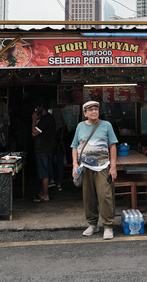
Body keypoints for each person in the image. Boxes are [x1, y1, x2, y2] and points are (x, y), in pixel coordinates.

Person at [71, 100, 118, 240]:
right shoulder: (80, 126)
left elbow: (113, 146)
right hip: (85, 168)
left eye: (96, 109)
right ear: (85, 113)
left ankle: (108, 226)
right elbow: (74, 146)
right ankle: (92, 224)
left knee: (105, 196)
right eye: (90, 110)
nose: (94, 111)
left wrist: (113, 167)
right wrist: (74, 164)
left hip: (103, 166)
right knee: (88, 197)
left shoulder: (106, 125)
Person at [32, 100, 56, 202]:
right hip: (48, 149)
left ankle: (45, 195)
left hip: (43, 149)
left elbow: (34, 133)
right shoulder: (50, 118)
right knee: (43, 171)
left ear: (41, 109)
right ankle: (42, 193)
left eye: (37, 109)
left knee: (43, 172)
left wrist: (33, 120)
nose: (36, 111)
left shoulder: (45, 119)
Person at [48, 106, 68, 191]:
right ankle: (59, 183)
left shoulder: (51, 124)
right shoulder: (63, 126)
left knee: (49, 163)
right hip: (61, 147)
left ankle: (51, 180)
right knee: (60, 165)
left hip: (52, 147)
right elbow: (66, 137)